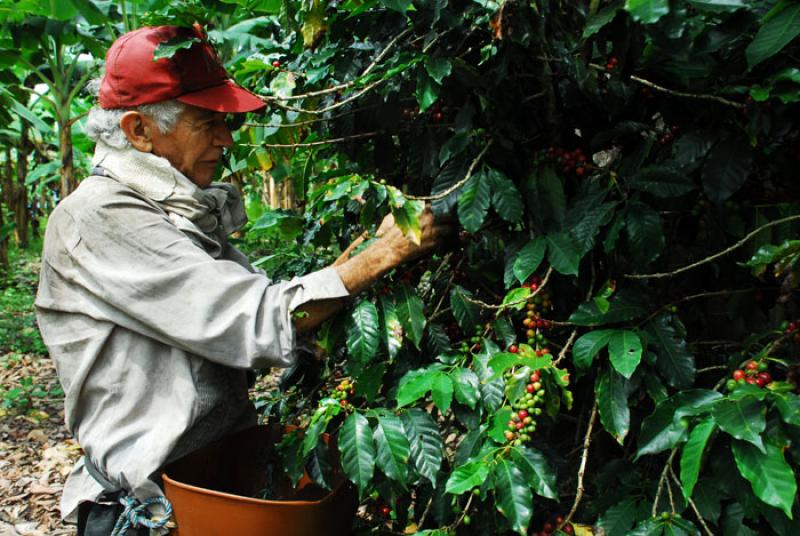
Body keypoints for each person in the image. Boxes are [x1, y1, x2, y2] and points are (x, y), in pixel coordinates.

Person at [35, 25, 447, 535]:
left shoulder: (175, 210)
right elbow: (250, 321)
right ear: (140, 130)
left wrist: (349, 274)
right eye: (207, 123)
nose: (225, 139)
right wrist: (377, 258)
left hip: (211, 485)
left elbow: (263, 309)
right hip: (149, 512)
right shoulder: (99, 215)